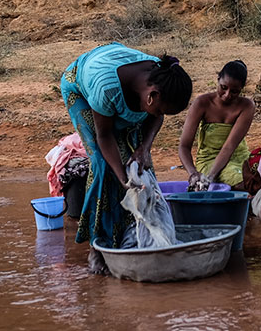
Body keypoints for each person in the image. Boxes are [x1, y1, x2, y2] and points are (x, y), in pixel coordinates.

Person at [60, 43, 193, 251]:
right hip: (81, 89)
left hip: (121, 94)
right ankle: (98, 245)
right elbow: (104, 135)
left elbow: (157, 117)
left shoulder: (160, 77)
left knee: (140, 167)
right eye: (158, 110)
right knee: (103, 166)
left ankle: (139, 236)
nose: (159, 115)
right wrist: (122, 178)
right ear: (151, 96)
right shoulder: (105, 87)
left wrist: (144, 148)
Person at [177, 60, 256, 189]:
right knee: (244, 183)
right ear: (218, 79)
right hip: (209, 160)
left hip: (239, 158)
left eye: (234, 92)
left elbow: (229, 146)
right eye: (223, 87)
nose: (227, 95)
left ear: (242, 88)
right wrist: (193, 173)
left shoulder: (246, 106)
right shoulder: (202, 103)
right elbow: (184, 146)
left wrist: (210, 178)